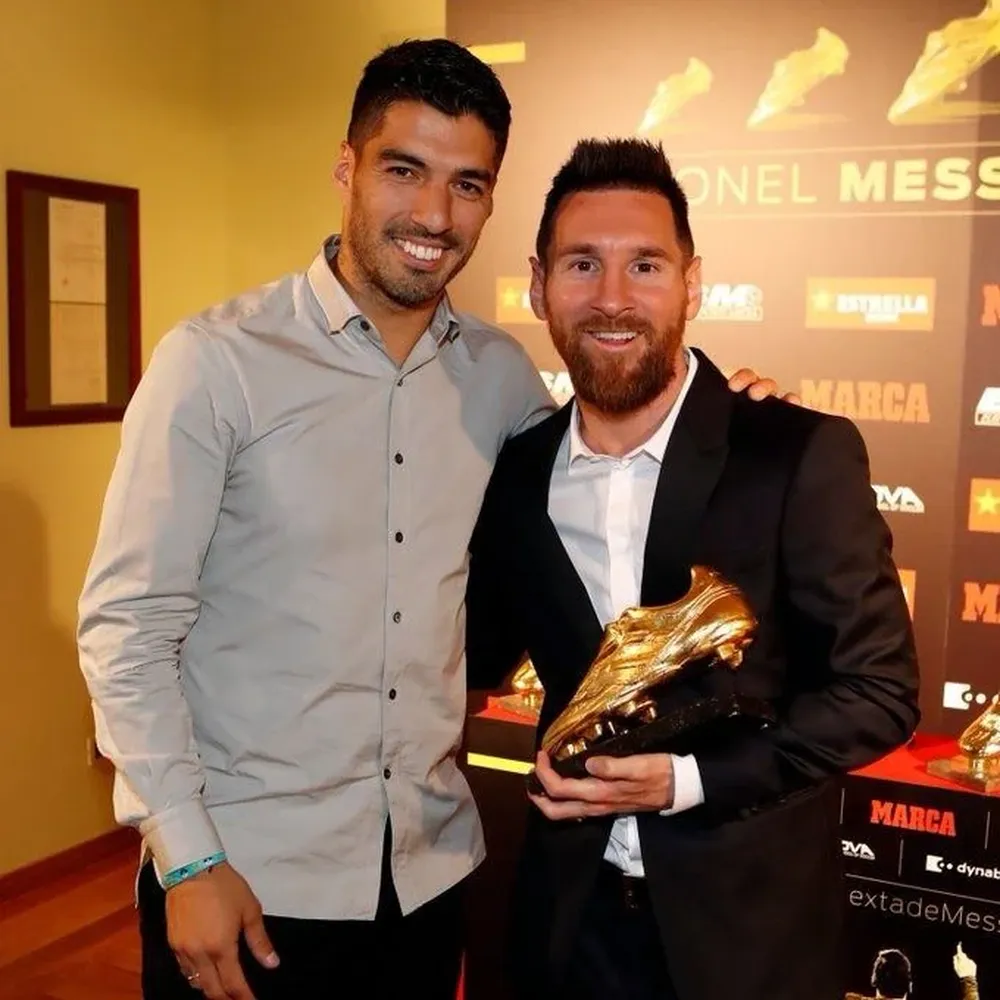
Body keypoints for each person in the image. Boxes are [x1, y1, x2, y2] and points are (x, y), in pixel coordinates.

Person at [77, 41, 788, 1000]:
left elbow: (612, 461)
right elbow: (128, 630)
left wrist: (726, 418)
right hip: (249, 878)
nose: (433, 215)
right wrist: (188, 857)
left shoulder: (498, 378)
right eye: (403, 171)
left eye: (467, 185)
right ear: (346, 168)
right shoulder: (215, 365)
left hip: (430, 874)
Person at [465, 137, 921, 1000]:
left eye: (644, 265)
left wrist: (686, 781)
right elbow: (472, 653)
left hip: (747, 941)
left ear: (692, 282)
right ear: (537, 283)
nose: (611, 298)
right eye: (580, 264)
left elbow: (880, 694)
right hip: (566, 928)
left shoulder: (793, 452)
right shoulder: (517, 473)